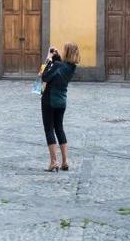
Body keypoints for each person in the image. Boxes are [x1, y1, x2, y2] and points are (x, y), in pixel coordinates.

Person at [40, 42, 80, 172]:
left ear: (66, 52)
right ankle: (64, 161)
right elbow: (59, 68)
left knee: (49, 129)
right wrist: (56, 57)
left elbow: (44, 75)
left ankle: (53, 162)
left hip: (49, 100)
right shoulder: (71, 67)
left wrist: (48, 58)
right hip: (62, 102)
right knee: (60, 129)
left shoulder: (58, 65)